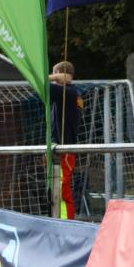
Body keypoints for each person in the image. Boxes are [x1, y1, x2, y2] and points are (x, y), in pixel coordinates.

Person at [50, 60, 82, 219]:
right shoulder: (69, 92)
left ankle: (65, 223)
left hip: (65, 151)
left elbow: (41, 84)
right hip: (63, 150)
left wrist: (53, 77)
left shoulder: (68, 92)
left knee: (62, 191)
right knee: (59, 190)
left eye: (54, 73)